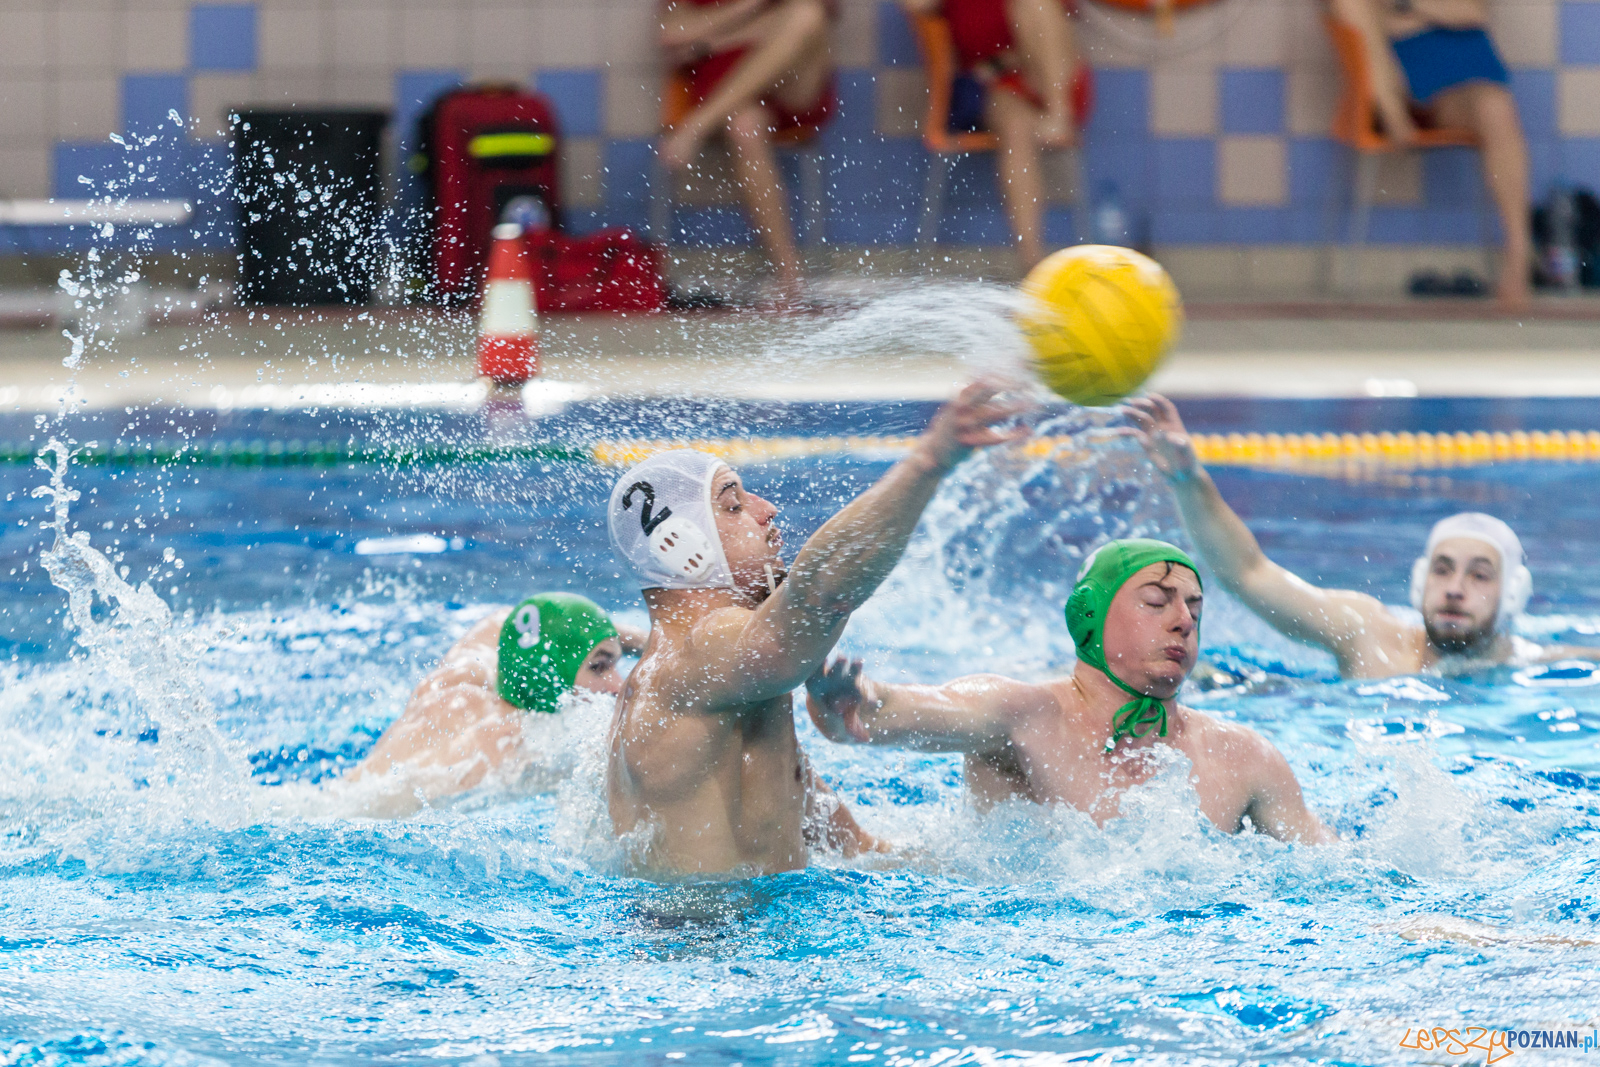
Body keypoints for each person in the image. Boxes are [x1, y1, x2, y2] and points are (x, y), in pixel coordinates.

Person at [605, 381, 1027, 878]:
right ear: (680, 545)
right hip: (701, 944)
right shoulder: (694, 654)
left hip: (746, 932)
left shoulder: (733, 690)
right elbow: (821, 596)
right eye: (734, 505)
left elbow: (863, 852)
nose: (768, 511)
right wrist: (927, 463)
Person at [806, 538, 1335, 843]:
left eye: (1194, 609)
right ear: (1090, 616)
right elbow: (910, 711)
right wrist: (858, 704)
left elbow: (1339, 879)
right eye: (1157, 601)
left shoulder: (1244, 756)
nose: (1182, 622)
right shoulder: (1024, 714)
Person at [1125, 394, 1597, 678]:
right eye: (1443, 569)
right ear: (1418, 582)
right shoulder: (1366, 634)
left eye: (1480, 576)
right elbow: (1248, 573)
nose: (1455, 587)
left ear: (1513, 595)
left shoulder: (1542, 666)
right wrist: (1188, 480)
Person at [347, 593, 645, 811]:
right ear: (550, 670)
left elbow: (514, 618)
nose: (618, 685)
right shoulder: (509, 744)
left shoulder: (461, 678)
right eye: (599, 667)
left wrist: (640, 641)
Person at [1328, 0, 1532, 306]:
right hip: (1410, 70)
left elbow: (1472, 13)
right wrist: (1391, 108)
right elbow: (1361, 25)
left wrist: (1403, 7)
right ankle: (1390, 103)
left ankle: (1518, 251)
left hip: (1471, 59)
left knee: (1497, 109)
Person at [659, 0, 837, 298]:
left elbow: (812, 19)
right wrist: (754, 8)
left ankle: (698, 125)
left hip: (794, 82)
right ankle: (789, 277)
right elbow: (671, 34)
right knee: (743, 127)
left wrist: (714, 37)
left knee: (805, 16)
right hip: (728, 91)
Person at [900, 0, 1088, 270]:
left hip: (1053, 82)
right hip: (996, 84)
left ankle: (1058, 111)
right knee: (1016, 129)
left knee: (1037, 5)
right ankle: (1032, 266)